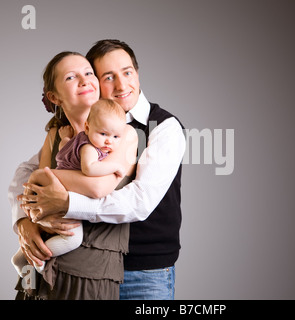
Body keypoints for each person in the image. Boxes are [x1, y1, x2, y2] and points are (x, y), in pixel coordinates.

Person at [13, 39, 186, 300]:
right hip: (88, 262)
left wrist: (65, 202)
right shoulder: (85, 127)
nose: (121, 84)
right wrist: (24, 219)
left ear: (137, 73)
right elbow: (28, 170)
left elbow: (139, 201)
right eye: (108, 76)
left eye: (127, 72)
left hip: (145, 269)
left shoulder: (162, 127)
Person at [10, 50, 138, 300]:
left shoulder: (123, 133)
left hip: (90, 270)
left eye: (89, 73)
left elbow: (97, 188)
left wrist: (50, 180)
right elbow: (35, 187)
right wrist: (30, 221)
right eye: (71, 77)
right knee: (29, 284)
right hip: (41, 260)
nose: (84, 80)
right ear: (54, 97)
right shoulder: (56, 135)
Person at [11, 98, 130, 277]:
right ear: (88, 128)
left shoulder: (78, 140)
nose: (108, 142)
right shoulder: (89, 148)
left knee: (45, 232)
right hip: (58, 195)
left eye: (115, 137)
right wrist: (115, 167)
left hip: (57, 192)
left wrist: (66, 138)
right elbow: (90, 168)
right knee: (72, 239)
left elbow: (62, 150)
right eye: (104, 134)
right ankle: (36, 259)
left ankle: (21, 258)